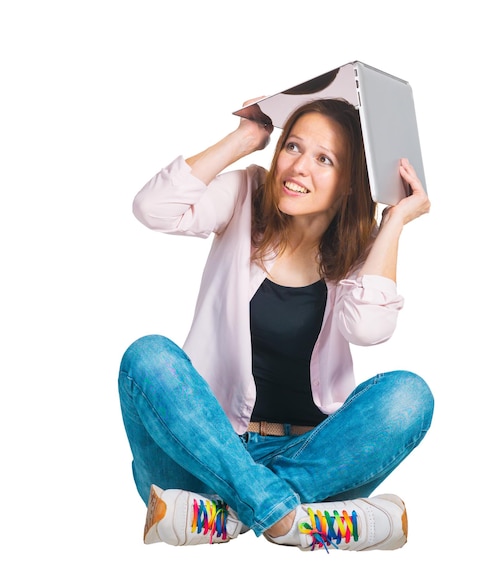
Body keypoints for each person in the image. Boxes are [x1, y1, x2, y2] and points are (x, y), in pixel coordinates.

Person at [117, 97, 433, 552]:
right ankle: (292, 518)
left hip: (311, 461)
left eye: (324, 159)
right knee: (146, 357)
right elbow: (153, 208)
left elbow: (368, 329)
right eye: (293, 147)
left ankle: (229, 516)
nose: (299, 167)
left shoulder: (358, 252)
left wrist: (395, 221)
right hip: (204, 455)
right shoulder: (245, 194)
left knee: (409, 395)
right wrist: (245, 138)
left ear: (349, 184)